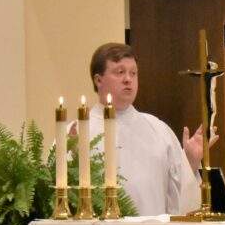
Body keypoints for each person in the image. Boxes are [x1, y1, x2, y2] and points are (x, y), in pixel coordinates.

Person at [86, 43, 213, 216]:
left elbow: (178, 199)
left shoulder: (158, 129)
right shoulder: (77, 133)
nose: (128, 79)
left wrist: (189, 161)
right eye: (120, 72)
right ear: (98, 80)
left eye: (133, 73)